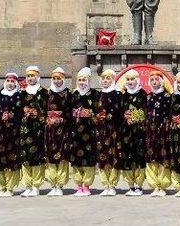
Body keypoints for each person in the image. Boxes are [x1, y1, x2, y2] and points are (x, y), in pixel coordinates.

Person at [70, 67, 99, 197]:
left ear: (88, 81)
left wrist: (90, 114)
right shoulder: (73, 95)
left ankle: (86, 185)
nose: (82, 82)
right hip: (75, 131)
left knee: (88, 157)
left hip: (89, 130)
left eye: (84, 80)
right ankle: (78, 185)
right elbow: (67, 112)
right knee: (76, 158)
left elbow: (98, 111)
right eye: (80, 80)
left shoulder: (94, 94)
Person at [19, 65, 48, 197]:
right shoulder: (22, 93)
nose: (31, 78)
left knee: (36, 157)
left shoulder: (44, 92)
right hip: (25, 128)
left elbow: (47, 109)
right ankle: (28, 185)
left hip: (38, 128)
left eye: (33, 76)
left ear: (38, 77)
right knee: (25, 157)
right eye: (29, 76)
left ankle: (36, 185)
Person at [117, 69, 147, 196]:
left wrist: (135, 117)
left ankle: (139, 186)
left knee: (139, 157)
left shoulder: (143, 94)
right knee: (127, 157)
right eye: (128, 79)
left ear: (137, 80)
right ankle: (130, 185)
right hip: (126, 132)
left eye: (132, 79)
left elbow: (146, 112)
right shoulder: (123, 95)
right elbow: (119, 113)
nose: (130, 82)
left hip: (139, 132)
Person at [145, 71, 173, 197]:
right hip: (150, 131)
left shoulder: (168, 97)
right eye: (152, 80)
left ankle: (162, 185)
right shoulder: (148, 97)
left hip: (163, 131)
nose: (154, 82)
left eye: (157, 79)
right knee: (151, 157)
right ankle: (154, 186)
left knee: (163, 157)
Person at [45, 67, 72, 196]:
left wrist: (62, 118)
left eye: (59, 79)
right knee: (51, 156)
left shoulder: (68, 93)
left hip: (63, 129)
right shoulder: (47, 93)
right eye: (54, 78)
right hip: (50, 130)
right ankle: (53, 184)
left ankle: (60, 184)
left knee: (61, 156)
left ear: (63, 79)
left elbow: (72, 111)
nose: (57, 81)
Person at [95, 69, 122, 196]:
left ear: (113, 79)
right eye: (103, 78)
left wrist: (107, 116)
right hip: (101, 130)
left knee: (113, 156)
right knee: (102, 155)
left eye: (108, 78)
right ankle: (105, 184)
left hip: (113, 130)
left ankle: (112, 184)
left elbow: (119, 112)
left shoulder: (117, 94)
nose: (105, 81)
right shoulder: (98, 95)